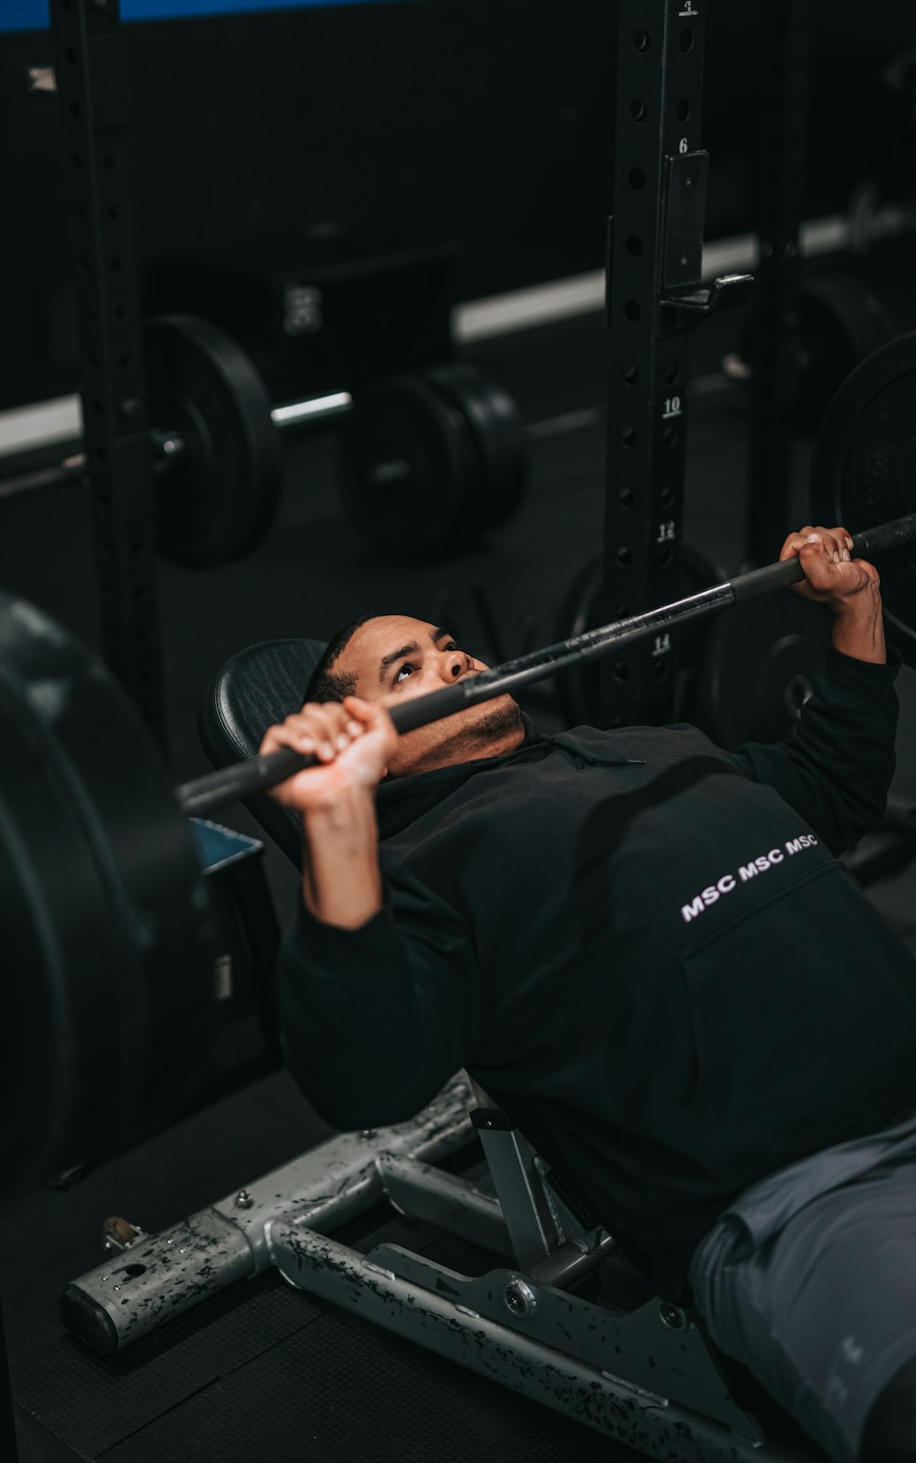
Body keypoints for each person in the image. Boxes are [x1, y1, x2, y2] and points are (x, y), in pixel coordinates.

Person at [259, 525, 916, 1463]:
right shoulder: (417, 872)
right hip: (805, 1201)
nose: (456, 660)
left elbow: (833, 789)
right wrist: (335, 831)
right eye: (407, 672)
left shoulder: (641, 746)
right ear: (372, 745)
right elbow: (367, 1077)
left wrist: (856, 608)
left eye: (450, 646)